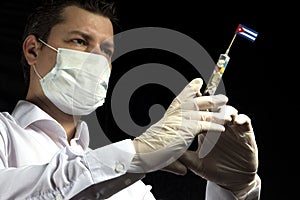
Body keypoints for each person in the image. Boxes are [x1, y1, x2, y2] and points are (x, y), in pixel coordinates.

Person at [0, 0, 261, 199]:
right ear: (33, 49)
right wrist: (136, 154)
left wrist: (234, 190)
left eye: (106, 51)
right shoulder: (4, 134)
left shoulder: (128, 184)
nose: (96, 60)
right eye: (80, 41)